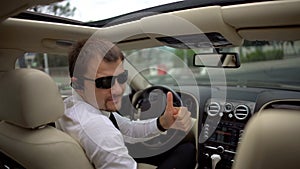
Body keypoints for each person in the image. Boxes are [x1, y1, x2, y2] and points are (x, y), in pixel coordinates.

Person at [57, 38, 196, 169]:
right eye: (105, 82)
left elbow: (128, 129)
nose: (118, 90)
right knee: (187, 150)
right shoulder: (97, 126)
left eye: (122, 77)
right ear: (77, 84)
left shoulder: (73, 105)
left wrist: (162, 123)